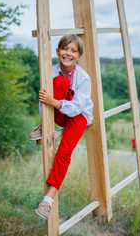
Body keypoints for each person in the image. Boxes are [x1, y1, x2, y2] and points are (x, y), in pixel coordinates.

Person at [29, 34, 93, 220]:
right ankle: (43, 126)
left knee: (64, 151)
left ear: (79, 56)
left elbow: (77, 108)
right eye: (64, 49)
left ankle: (48, 200)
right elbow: (44, 101)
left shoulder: (84, 78)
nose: (68, 53)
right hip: (59, 112)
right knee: (59, 82)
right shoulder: (51, 71)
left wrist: (55, 102)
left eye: (73, 50)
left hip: (78, 116)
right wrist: (46, 122)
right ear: (57, 52)